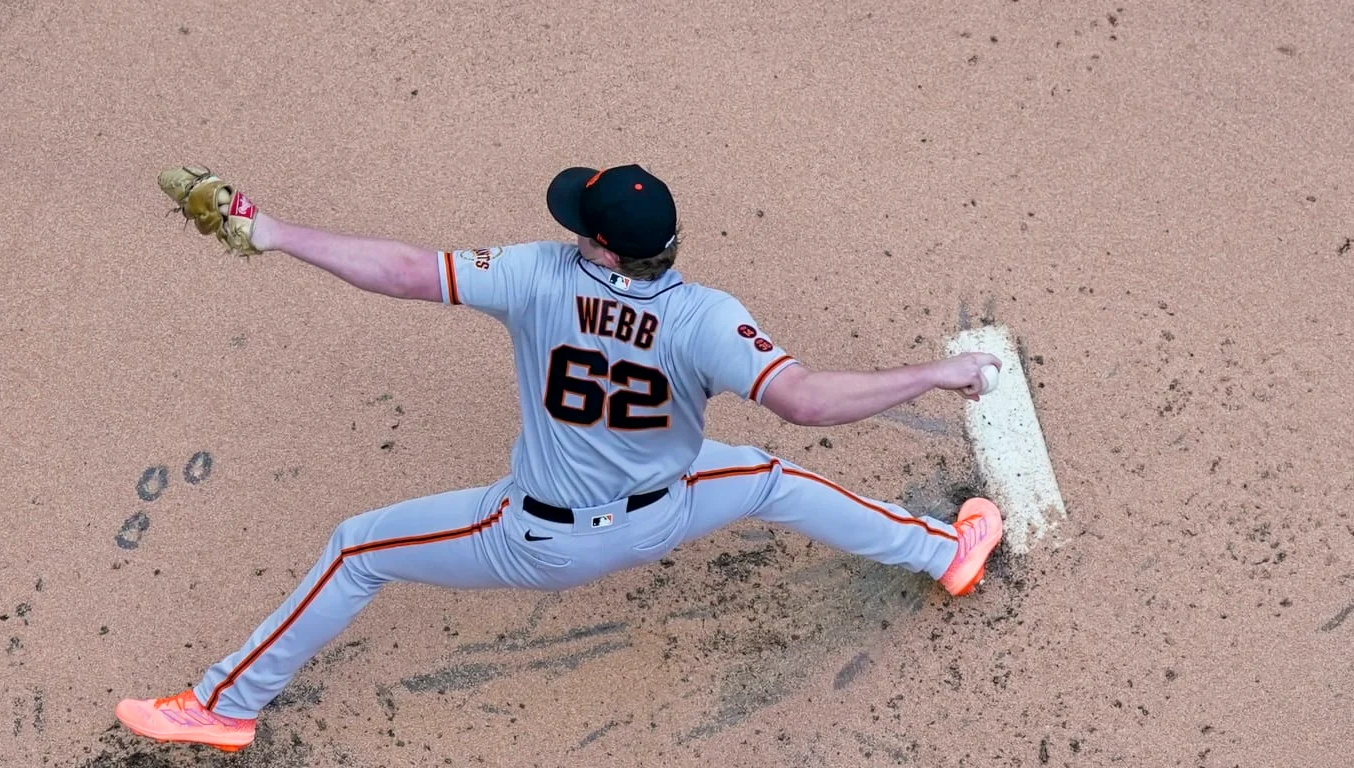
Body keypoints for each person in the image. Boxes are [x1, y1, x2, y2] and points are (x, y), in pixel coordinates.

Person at [114, 163, 1005, 752]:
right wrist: (939, 371)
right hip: (671, 508)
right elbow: (807, 402)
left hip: (535, 542)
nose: (571, 226)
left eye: (584, 221)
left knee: (355, 549)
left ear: (604, 247)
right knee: (773, 478)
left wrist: (271, 231)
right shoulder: (706, 314)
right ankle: (943, 552)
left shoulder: (540, 273)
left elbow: (401, 270)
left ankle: (222, 706)